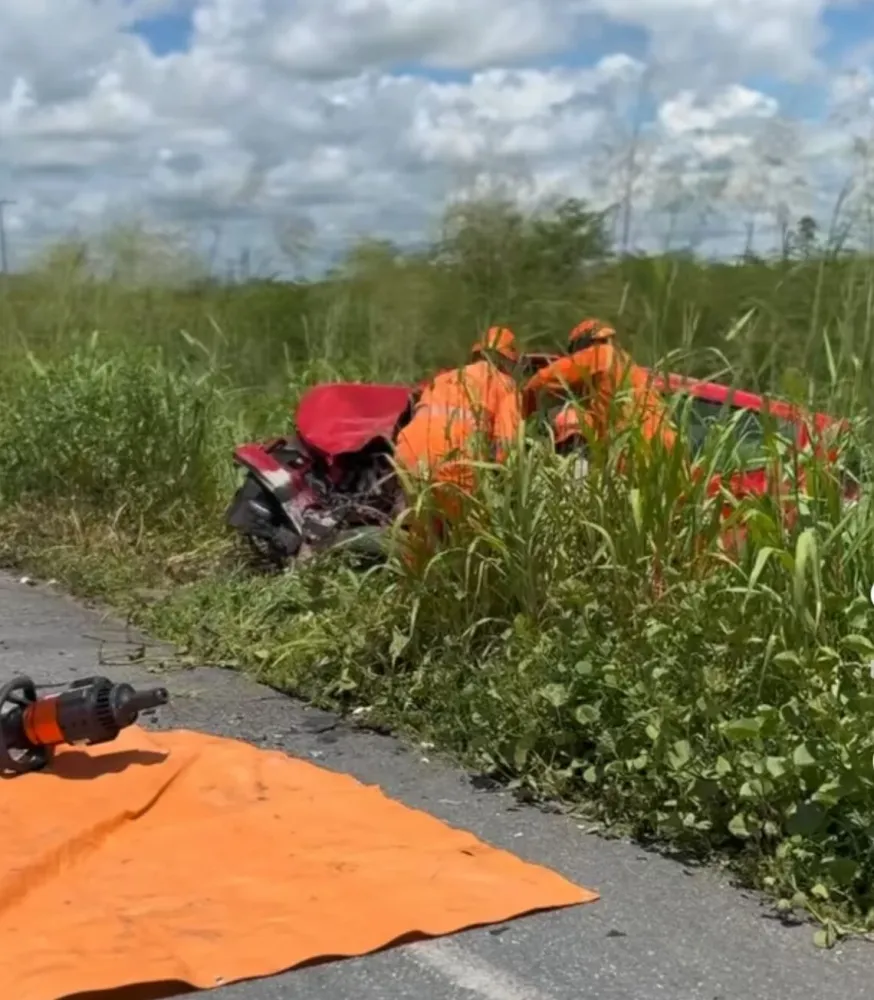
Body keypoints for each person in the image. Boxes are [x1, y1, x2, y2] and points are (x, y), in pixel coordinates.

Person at [393, 326, 523, 565]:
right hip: (454, 458)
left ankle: (412, 591)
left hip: (408, 455)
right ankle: (466, 593)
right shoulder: (504, 384)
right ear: (508, 360)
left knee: (422, 531)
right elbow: (508, 441)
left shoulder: (443, 378)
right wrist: (507, 484)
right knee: (474, 537)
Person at [523, 318, 677, 457]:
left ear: (582, 344)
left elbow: (542, 381)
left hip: (632, 451)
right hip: (667, 453)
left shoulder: (597, 355)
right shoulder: (634, 370)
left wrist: (522, 412)